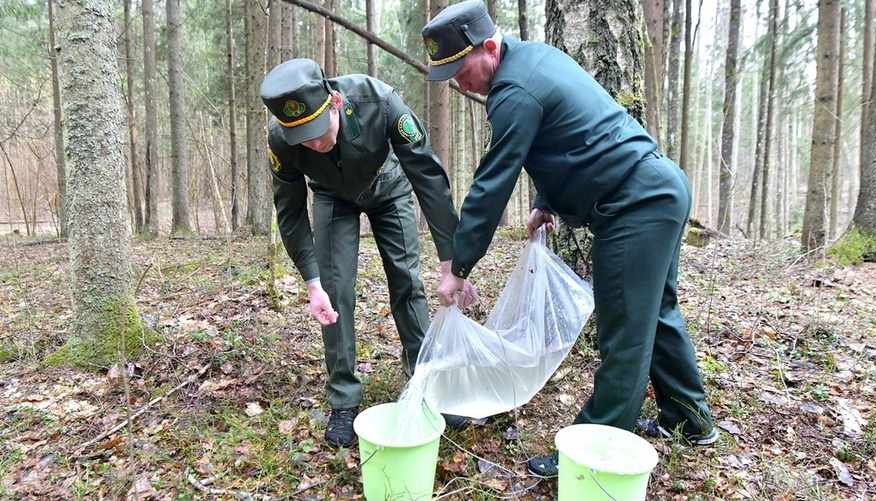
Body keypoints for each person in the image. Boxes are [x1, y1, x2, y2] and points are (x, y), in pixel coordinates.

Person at [421, 0, 716, 476]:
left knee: (624, 330)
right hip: (658, 191)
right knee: (655, 311)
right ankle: (689, 419)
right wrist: (546, 201)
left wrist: (458, 265)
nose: (460, 83)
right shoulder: (533, 61)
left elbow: (492, 184)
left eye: (461, 70)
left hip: (635, 204)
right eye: (450, 75)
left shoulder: (514, 91)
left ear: (489, 47)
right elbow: (569, 137)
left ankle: (594, 450)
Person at [261, 58, 478, 447]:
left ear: (335, 102)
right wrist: (312, 281)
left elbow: (428, 176)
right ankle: (344, 398)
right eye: (303, 138)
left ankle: (426, 383)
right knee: (335, 290)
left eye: (317, 131)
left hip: (389, 188)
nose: (314, 144)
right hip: (332, 197)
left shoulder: (380, 102)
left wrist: (451, 259)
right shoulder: (280, 140)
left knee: (406, 280)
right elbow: (289, 212)